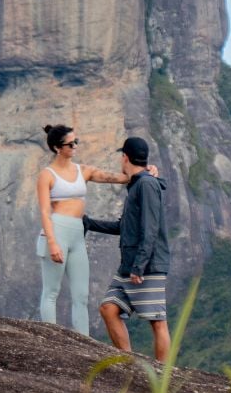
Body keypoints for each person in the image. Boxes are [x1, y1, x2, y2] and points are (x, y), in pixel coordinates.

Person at [36, 124, 156, 336]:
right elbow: (45, 211)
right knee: (51, 291)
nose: (75, 146)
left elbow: (120, 177)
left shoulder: (84, 171)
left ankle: (84, 341)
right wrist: (52, 242)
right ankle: (50, 339)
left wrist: (147, 170)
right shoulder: (47, 175)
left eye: (76, 142)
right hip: (56, 230)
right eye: (70, 144)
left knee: (81, 295)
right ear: (57, 148)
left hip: (77, 233)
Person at [84, 136, 171, 361]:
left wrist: (139, 265)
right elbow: (124, 227)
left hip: (147, 265)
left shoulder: (147, 185)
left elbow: (150, 229)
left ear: (125, 158)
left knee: (157, 321)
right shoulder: (136, 186)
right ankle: (129, 363)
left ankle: (162, 377)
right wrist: (89, 222)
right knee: (108, 309)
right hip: (129, 266)